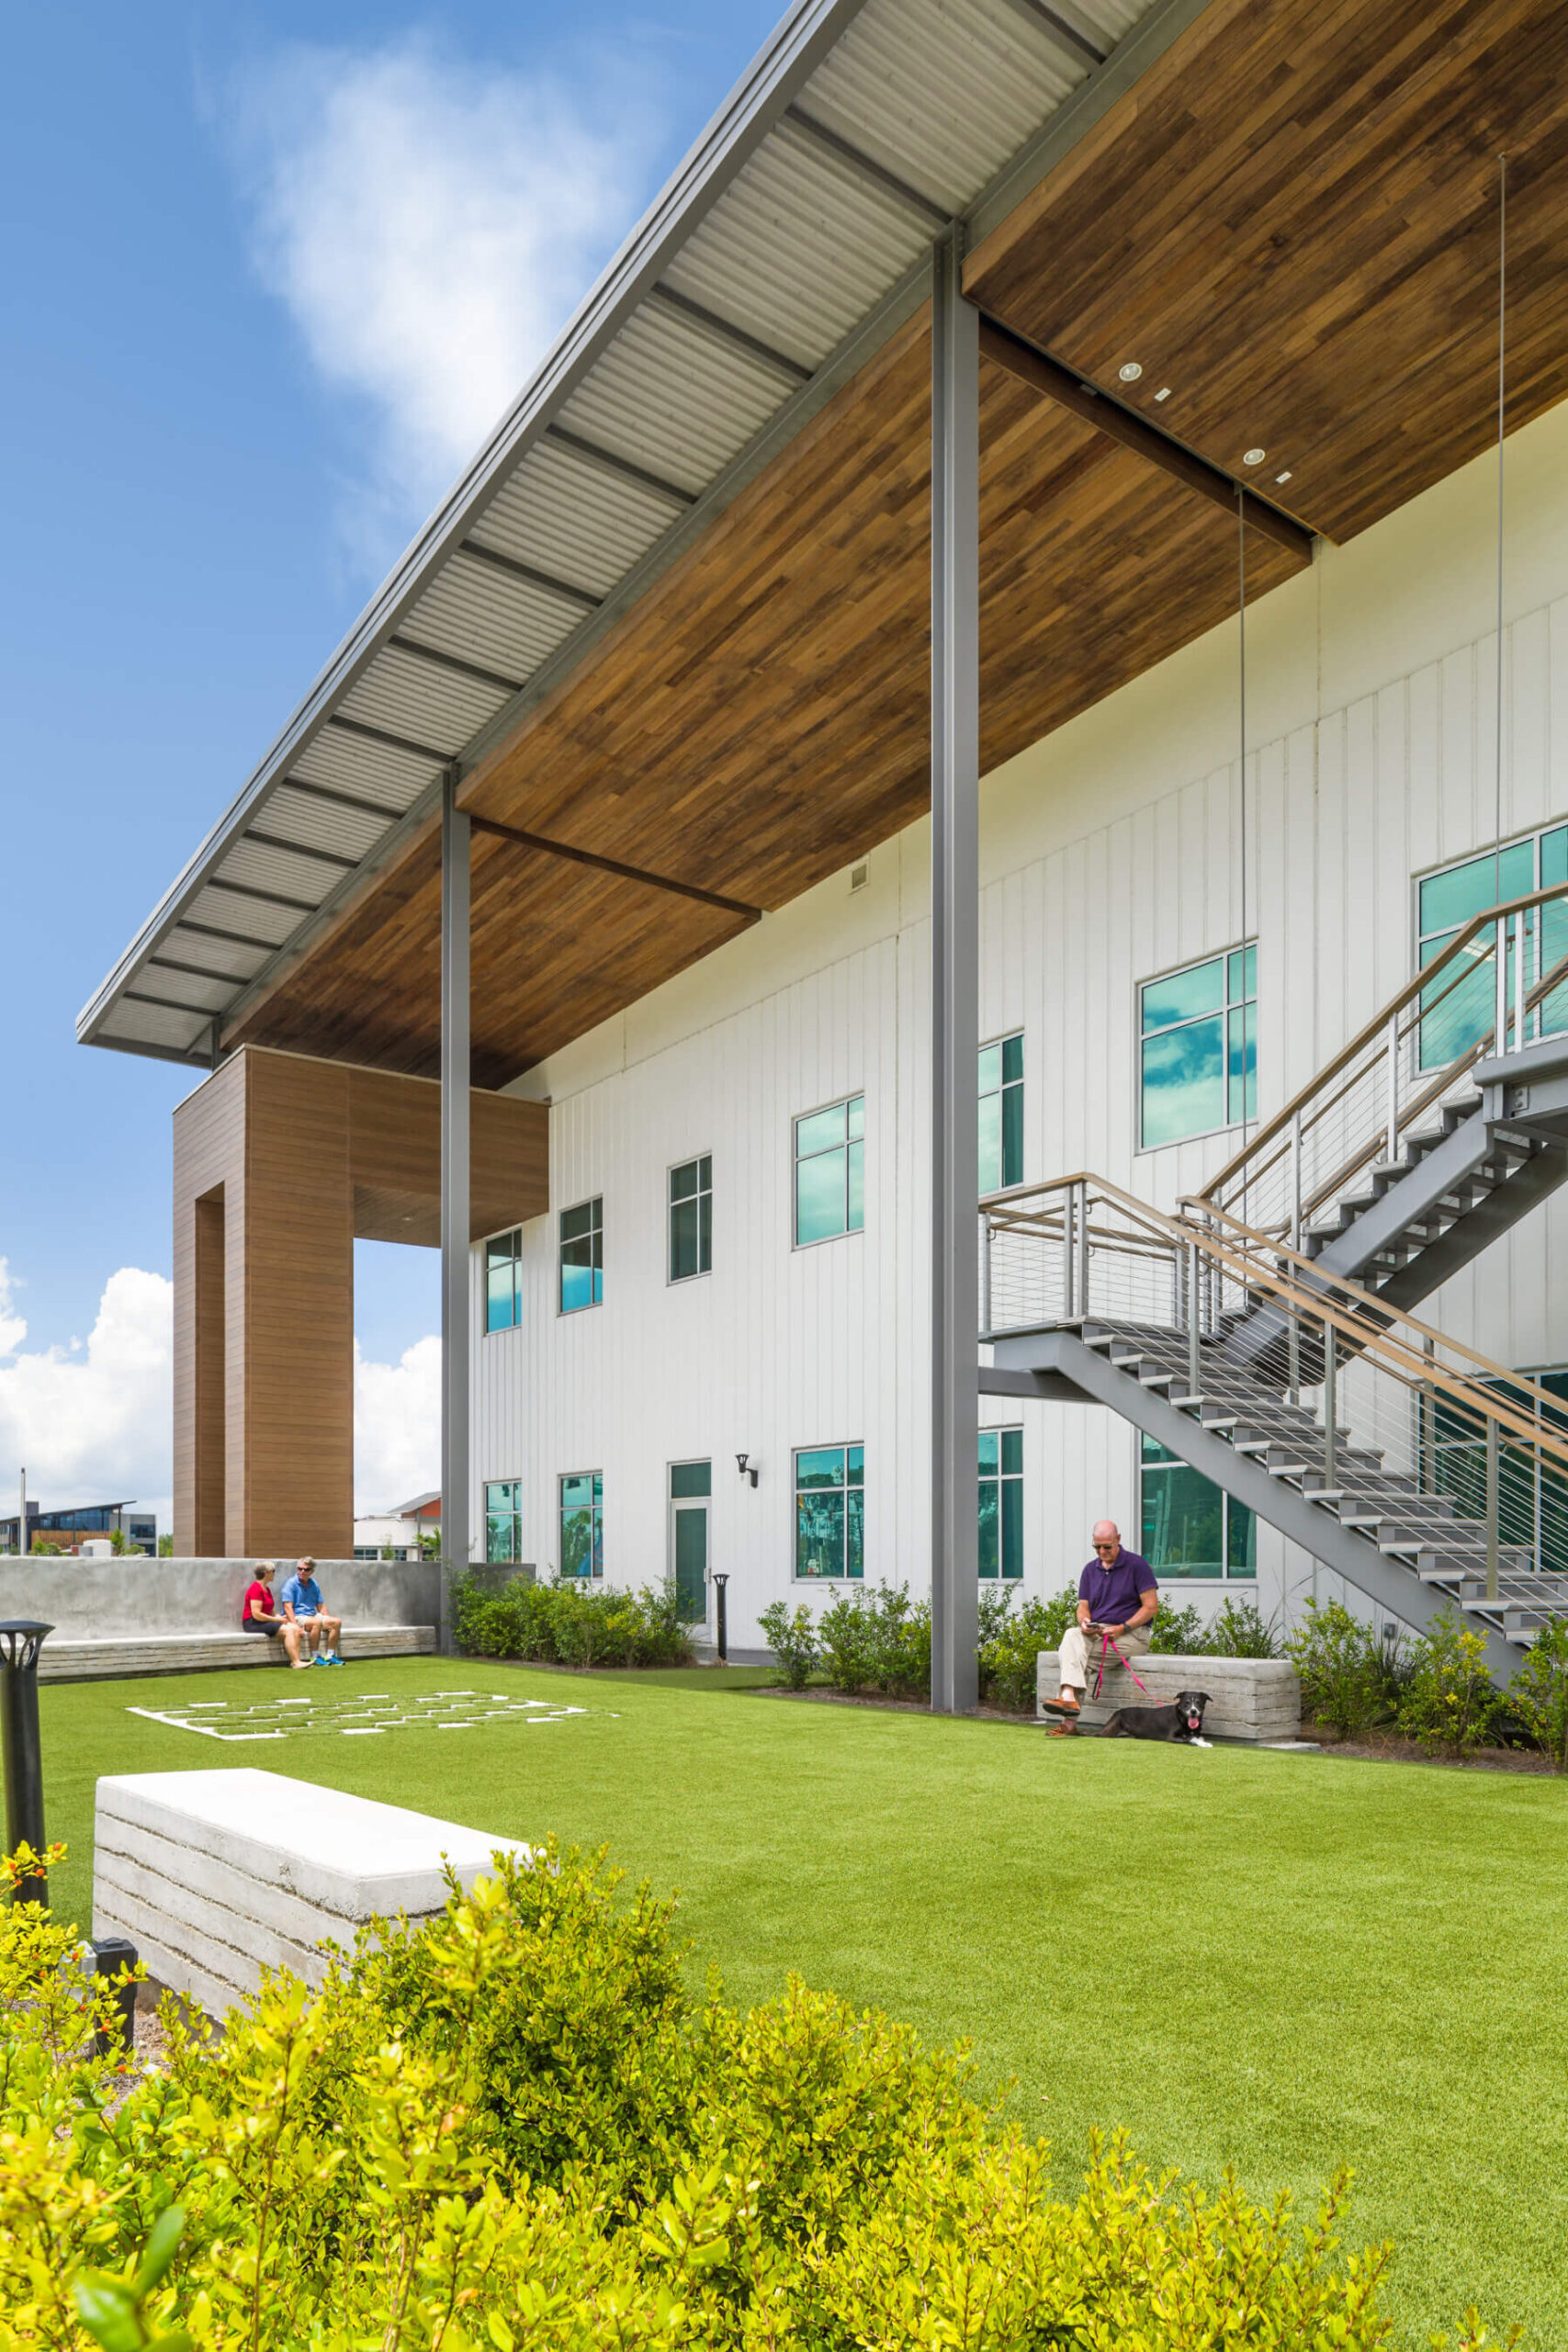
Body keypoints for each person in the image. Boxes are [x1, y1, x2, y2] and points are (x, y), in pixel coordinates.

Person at [1042, 1520, 1159, 1724]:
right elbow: (1083, 1607)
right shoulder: (1089, 1570)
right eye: (1097, 1547)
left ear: (1118, 1540)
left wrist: (1122, 1628)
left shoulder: (1137, 1565)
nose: (1102, 1551)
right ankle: (1068, 1696)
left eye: (1107, 1547)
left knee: (1079, 1659)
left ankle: (1068, 1721)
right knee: (1071, 1634)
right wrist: (1084, 1622)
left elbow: (1151, 1607)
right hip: (1098, 1632)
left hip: (1132, 1634)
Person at [241, 1562, 310, 1668]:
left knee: (294, 1628)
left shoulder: (267, 1589)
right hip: (252, 1623)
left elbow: (271, 1610)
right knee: (289, 1630)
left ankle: (296, 1660)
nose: (274, 1574)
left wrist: (280, 1618)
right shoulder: (255, 1589)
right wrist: (275, 1620)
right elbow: (256, 1614)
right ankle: (296, 1662)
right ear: (266, 1573)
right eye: (273, 1571)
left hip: (264, 1621)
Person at [280, 1556, 344, 1665]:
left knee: (336, 1622)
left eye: (306, 1570)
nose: (302, 1571)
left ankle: (330, 1655)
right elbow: (287, 1607)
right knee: (317, 1622)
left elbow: (321, 1606)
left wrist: (327, 1619)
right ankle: (315, 1656)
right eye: (300, 1569)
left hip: (312, 1616)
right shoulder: (290, 1584)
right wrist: (295, 1626)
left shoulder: (314, 1584)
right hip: (298, 1616)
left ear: (312, 1571)